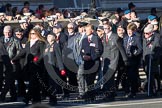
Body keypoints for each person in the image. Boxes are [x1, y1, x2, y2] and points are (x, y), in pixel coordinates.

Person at [12, 28, 46, 104]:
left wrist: (37, 60)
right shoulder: (28, 43)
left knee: (33, 83)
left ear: (37, 34)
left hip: (37, 66)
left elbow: (43, 54)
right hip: (29, 66)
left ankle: (27, 98)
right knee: (35, 84)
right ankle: (36, 100)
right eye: (31, 33)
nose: (32, 35)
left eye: (33, 33)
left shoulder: (41, 42)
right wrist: (14, 59)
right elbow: (23, 52)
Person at [101, 22, 128, 101]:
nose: (105, 30)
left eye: (106, 28)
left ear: (110, 28)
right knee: (106, 78)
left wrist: (125, 59)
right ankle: (109, 93)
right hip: (106, 60)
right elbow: (104, 48)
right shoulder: (104, 36)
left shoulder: (115, 37)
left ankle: (110, 94)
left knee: (110, 78)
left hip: (113, 59)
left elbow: (121, 48)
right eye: (104, 28)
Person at [80, 24, 103, 101]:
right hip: (86, 63)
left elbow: (99, 50)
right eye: (85, 29)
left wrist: (91, 57)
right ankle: (90, 94)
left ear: (92, 30)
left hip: (94, 63)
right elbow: (82, 50)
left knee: (91, 79)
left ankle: (90, 95)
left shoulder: (96, 39)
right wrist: (83, 56)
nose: (85, 31)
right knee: (87, 80)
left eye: (87, 29)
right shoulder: (84, 40)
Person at [0, 25, 22, 102]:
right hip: (1, 63)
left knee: (10, 80)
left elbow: (20, 52)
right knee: (5, 80)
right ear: (3, 32)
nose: (7, 34)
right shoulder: (0, 40)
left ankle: (4, 96)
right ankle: (12, 96)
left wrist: (14, 59)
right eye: (5, 32)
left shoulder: (16, 41)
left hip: (11, 63)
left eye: (9, 32)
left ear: (11, 32)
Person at [44, 32, 66, 105]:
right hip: (47, 68)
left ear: (54, 37)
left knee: (52, 85)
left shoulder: (56, 46)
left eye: (50, 36)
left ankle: (53, 100)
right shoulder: (46, 45)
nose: (48, 37)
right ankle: (51, 99)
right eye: (48, 36)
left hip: (54, 68)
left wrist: (61, 68)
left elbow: (59, 57)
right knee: (49, 85)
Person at [123, 23, 142, 98]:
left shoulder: (136, 38)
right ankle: (127, 90)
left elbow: (140, 49)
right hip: (126, 60)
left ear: (134, 31)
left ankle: (133, 91)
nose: (129, 32)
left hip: (133, 60)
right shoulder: (126, 38)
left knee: (132, 76)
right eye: (128, 31)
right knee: (126, 76)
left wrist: (135, 53)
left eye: (130, 31)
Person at [143, 24, 161, 96]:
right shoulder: (144, 39)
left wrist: (154, 56)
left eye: (147, 33)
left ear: (151, 33)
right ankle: (151, 89)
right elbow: (144, 50)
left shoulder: (156, 39)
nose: (145, 35)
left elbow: (158, 50)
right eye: (144, 33)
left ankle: (153, 90)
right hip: (146, 60)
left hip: (153, 60)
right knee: (149, 75)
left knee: (153, 75)